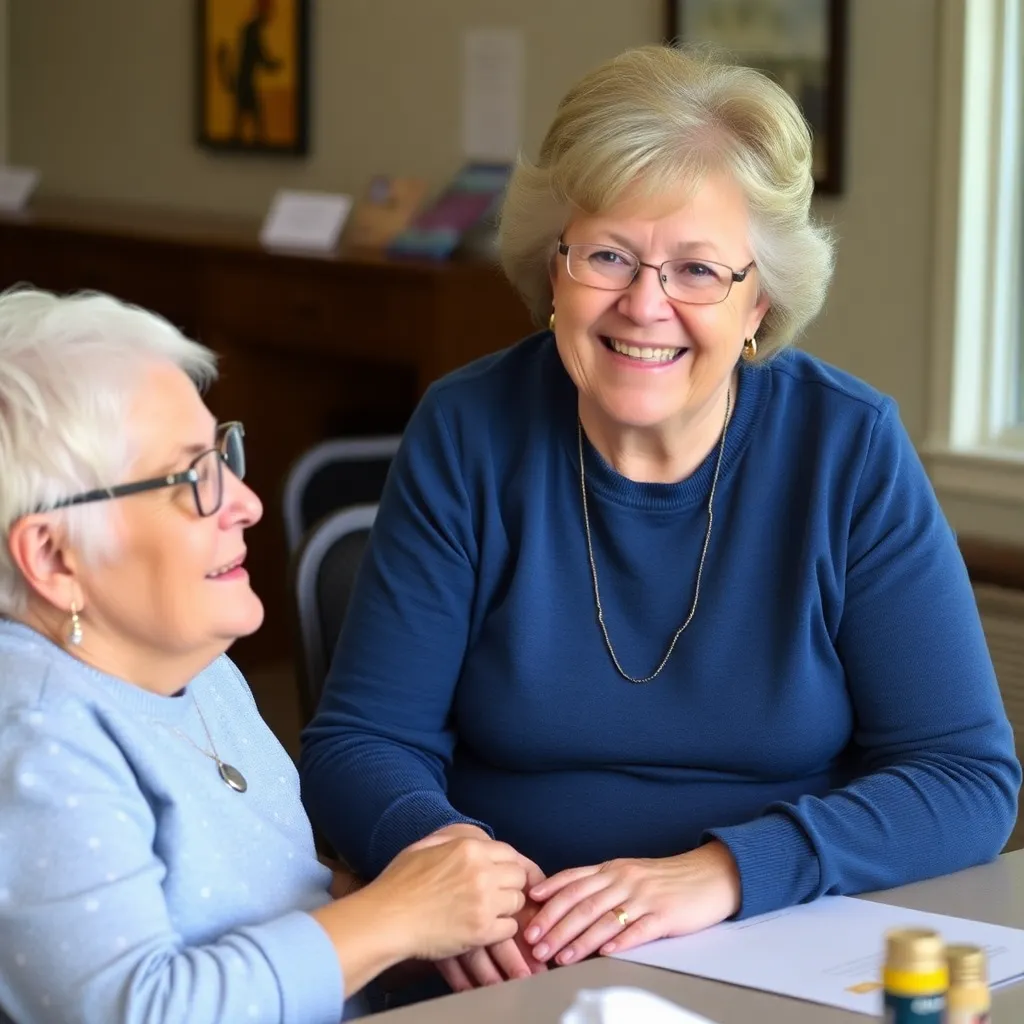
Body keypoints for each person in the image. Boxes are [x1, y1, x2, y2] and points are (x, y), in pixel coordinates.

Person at [299, 43, 1021, 998]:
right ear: (551, 268)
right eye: (607, 256)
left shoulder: (845, 449)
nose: (645, 305)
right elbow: (360, 742)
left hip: (773, 943)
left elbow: (965, 778)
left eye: (697, 270)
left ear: (760, 298)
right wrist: (447, 868)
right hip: (503, 960)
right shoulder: (469, 429)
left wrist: (724, 874)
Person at [0, 288, 537, 1024]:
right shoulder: (34, 741)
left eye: (223, 454)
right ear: (53, 556)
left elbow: (264, 906)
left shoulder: (201, 671)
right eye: (193, 479)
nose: (246, 502)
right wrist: (398, 916)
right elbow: (141, 1011)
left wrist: (457, 921)